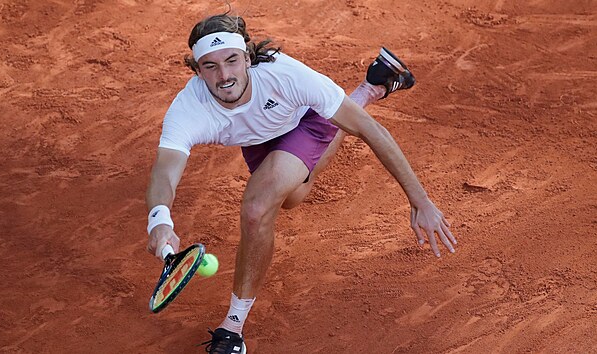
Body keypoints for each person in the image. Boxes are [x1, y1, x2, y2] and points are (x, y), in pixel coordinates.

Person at [145, 12, 457, 354]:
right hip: (259, 139)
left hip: (306, 122)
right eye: (210, 66)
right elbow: (166, 169)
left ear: (247, 57)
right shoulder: (189, 106)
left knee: (257, 207)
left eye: (232, 61)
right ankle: (371, 87)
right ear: (197, 70)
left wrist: (420, 200)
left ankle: (232, 328)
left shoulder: (286, 76)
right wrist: (159, 220)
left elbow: (370, 130)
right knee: (293, 197)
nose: (224, 75)